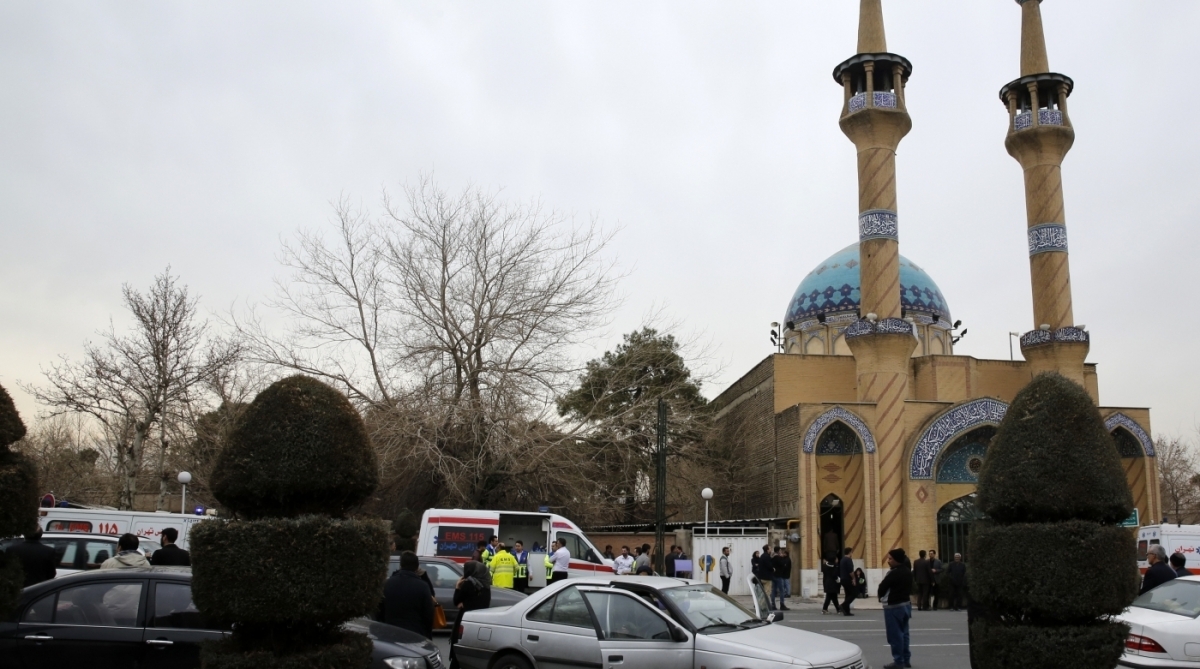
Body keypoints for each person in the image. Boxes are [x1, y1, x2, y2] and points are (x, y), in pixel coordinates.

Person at [448, 560, 491, 669]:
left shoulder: (469, 583)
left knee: (457, 654)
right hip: (479, 621)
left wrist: (457, 587)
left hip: (465, 619)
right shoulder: (486, 586)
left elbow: (456, 601)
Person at [383, 551, 435, 639]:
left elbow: (379, 610)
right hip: (415, 634)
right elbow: (428, 614)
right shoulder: (422, 586)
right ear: (417, 567)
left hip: (390, 633)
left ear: (400, 565)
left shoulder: (387, 584)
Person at [878, 548, 913, 669]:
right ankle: (906, 659)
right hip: (906, 605)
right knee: (904, 634)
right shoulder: (908, 572)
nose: (888, 560)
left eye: (890, 558)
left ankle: (898, 661)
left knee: (895, 636)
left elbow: (882, 587)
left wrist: (880, 595)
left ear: (897, 560)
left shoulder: (894, 573)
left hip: (893, 607)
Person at [839, 546, 856, 616]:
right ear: (849, 552)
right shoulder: (848, 560)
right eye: (851, 552)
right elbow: (850, 571)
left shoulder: (842, 559)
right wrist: (854, 579)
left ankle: (846, 611)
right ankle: (843, 605)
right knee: (853, 593)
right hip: (847, 579)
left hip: (842, 579)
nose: (852, 553)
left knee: (848, 594)